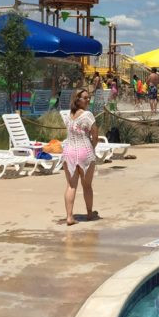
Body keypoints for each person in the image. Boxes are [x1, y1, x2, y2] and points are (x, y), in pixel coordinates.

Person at [62, 89, 99, 226]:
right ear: (77, 100)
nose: (88, 100)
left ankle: (69, 216)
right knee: (87, 185)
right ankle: (89, 213)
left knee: (71, 185)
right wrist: (92, 147)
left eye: (89, 98)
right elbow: (95, 135)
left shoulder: (68, 115)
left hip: (69, 151)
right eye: (85, 98)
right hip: (85, 151)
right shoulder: (88, 115)